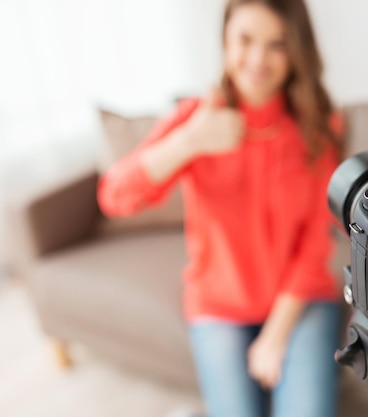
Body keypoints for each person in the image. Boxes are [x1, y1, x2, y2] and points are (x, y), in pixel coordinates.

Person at [97, 1, 343, 416]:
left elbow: (317, 239)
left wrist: (275, 335)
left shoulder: (320, 125)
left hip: (302, 301)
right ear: (225, 39)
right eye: (245, 40)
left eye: (277, 44)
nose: (257, 59)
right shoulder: (196, 119)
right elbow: (114, 197)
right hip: (218, 306)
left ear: (296, 50)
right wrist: (188, 142)